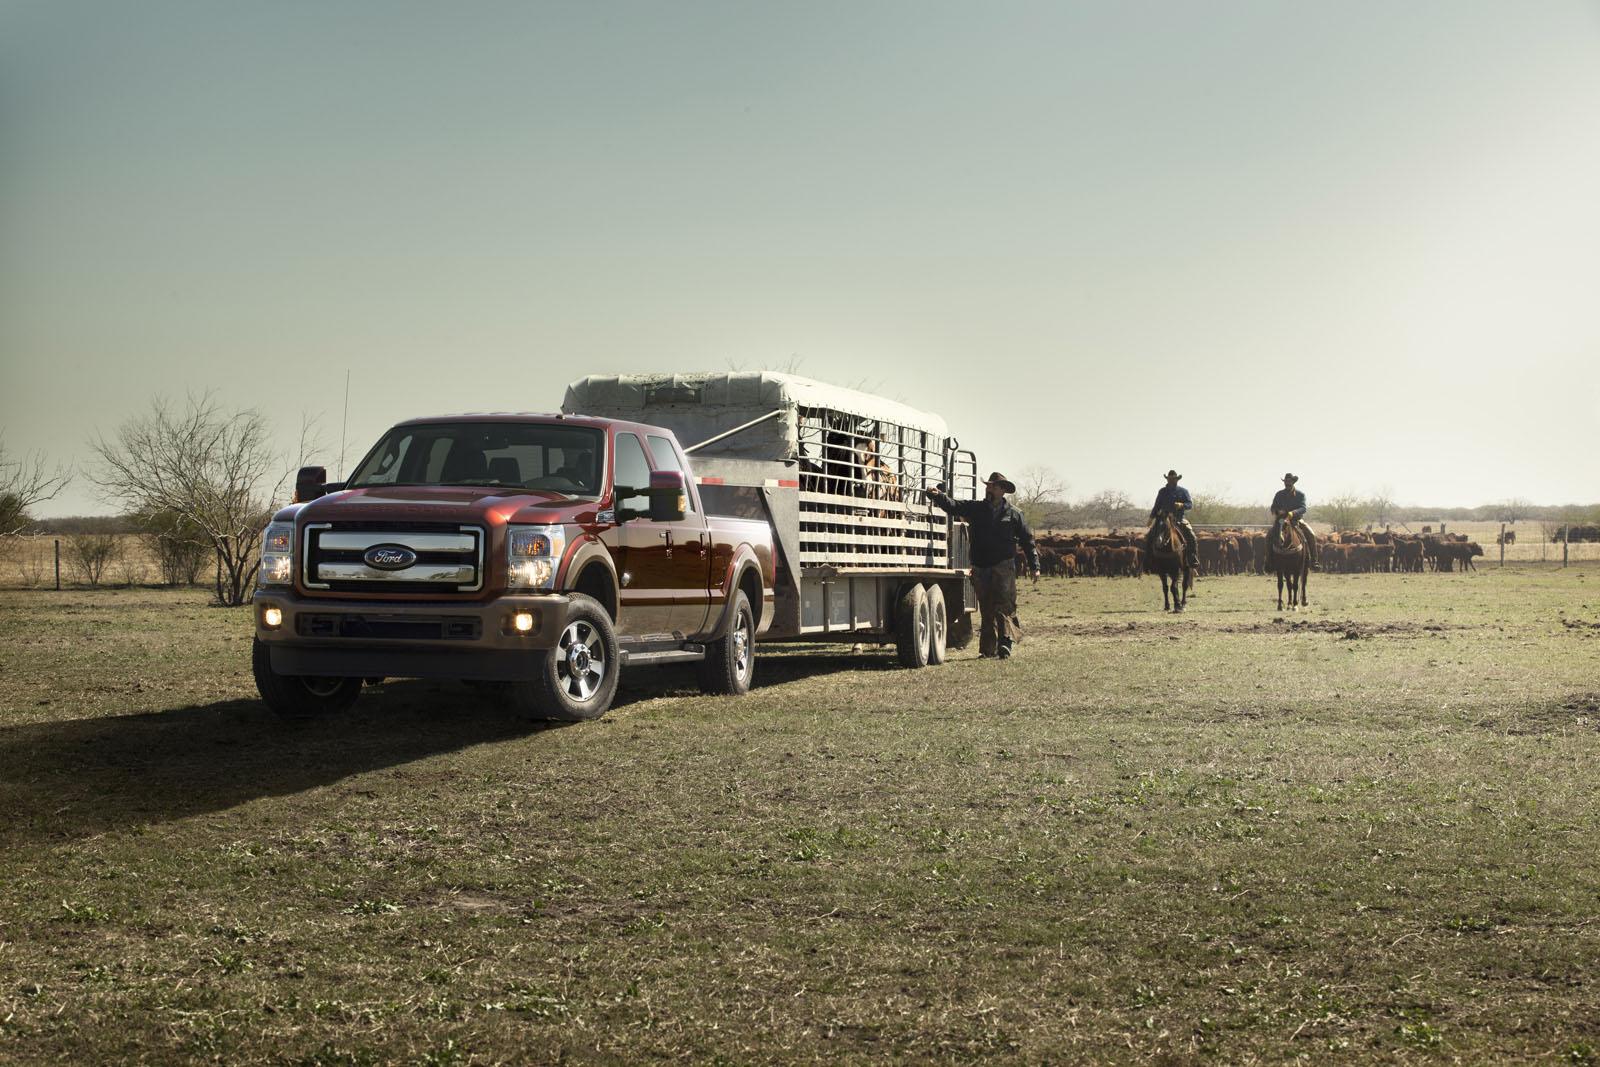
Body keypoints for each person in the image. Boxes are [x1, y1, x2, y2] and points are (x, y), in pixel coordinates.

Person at [928, 472, 1039, 660]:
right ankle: (988, 649)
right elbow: (954, 506)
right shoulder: (976, 508)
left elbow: (1028, 541)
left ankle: (1005, 643)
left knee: (1005, 606)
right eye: (988, 485)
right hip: (980, 566)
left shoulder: (1015, 514)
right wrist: (938, 495)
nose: (989, 488)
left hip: (1004, 565)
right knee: (986, 608)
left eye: (993, 486)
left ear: (1002, 490)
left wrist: (1034, 565)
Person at [1146, 469, 1198, 569]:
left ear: (1177, 480)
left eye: (1173, 479)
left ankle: (1193, 557)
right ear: (1167, 480)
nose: (1171, 481)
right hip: (1163, 519)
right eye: (1169, 479)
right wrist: (1151, 518)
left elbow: (1190, 504)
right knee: (1150, 536)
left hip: (1179, 518)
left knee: (1192, 536)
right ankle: (1148, 560)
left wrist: (1182, 505)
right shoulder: (1162, 491)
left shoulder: (1183, 491)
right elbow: (1157, 506)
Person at [1270, 473, 1317, 565]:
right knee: (1269, 536)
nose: (1287, 484)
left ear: (1293, 482)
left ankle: (1314, 560)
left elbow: (1303, 508)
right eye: (1286, 482)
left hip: (1296, 520)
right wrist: (1278, 512)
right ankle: (1269, 561)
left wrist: (1292, 513)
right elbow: (1273, 507)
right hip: (1281, 521)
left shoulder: (1300, 494)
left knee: (1311, 534)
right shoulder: (1279, 494)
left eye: (1289, 482)